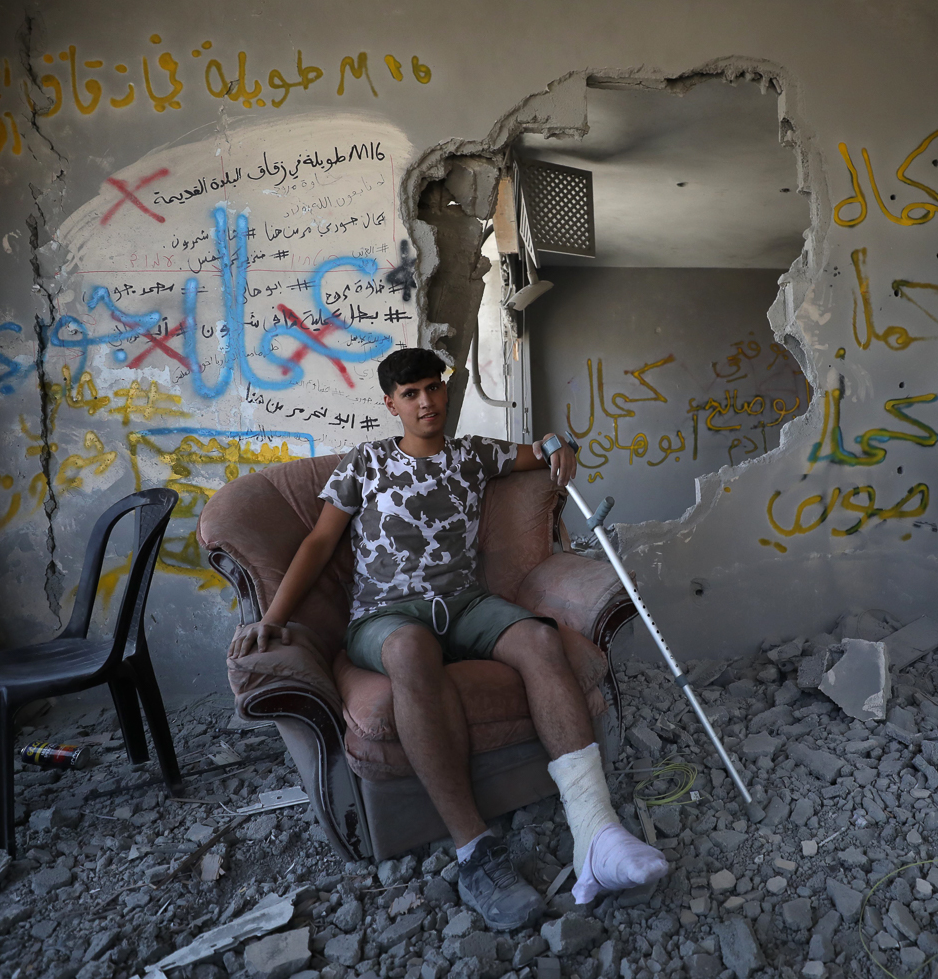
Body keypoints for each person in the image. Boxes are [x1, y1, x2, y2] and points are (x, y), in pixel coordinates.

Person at [231, 347, 667, 930]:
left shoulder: (471, 455)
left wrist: (559, 442)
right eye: (410, 394)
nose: (426, 401)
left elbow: (539, 452)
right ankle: (474, 852)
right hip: (384, 615)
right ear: (392, 404)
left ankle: (596, 833)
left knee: (542, 641)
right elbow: (317, 543)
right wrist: (274, 616)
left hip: (464, 603)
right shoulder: (365, 462)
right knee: (412, 650)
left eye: (433, 388)